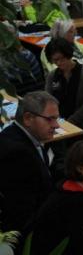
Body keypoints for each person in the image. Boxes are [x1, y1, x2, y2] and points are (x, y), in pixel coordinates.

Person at [0, 91, 60, 234]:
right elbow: (24, 212)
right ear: (28, 118)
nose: (56, 125)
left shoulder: (15, 133)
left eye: (57, 119)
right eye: (50, 119)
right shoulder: (18, 154)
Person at [44, 38, 83, 138]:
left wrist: (68, 123)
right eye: (55, 60)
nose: (58, 63)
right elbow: (48, 101)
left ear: (68, 54)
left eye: (61, 58)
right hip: (58, 123)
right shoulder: (52, 76)